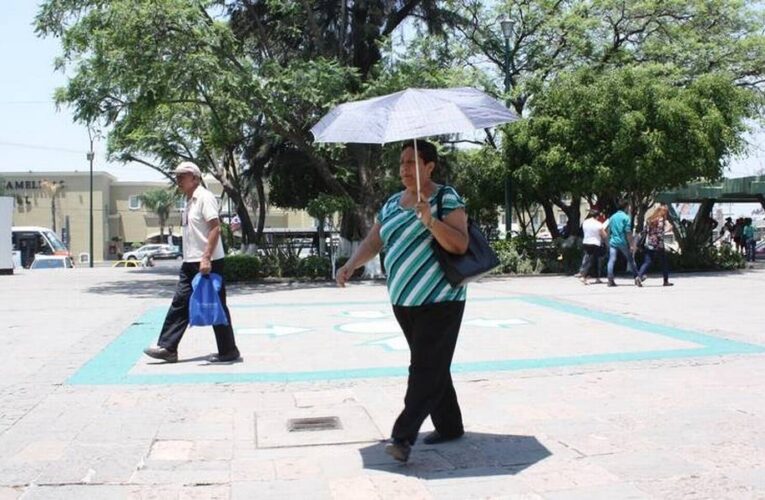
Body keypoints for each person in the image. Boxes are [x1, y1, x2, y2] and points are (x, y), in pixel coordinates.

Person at [336, 140, 469, 463]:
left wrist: (431, 221)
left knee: (423, 366)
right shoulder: (394, 202)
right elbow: (374, 240)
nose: (404, 169)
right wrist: (351, 263)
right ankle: (450, 426)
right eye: (401, 164)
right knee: (432, 363)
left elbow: (460, 244)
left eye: (411, 162)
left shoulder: (444, 197)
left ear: (429, 166)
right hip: (403, 300)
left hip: (441, 298)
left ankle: (403, 435)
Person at [143, 161, 240, 364]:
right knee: (181, 302)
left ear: (195, 178)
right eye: (176, 176)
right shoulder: (189, 201)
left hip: (207, 261)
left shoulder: (204, 197)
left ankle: (229, 350)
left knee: (215, 304)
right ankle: (168, 347)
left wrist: (206, 257)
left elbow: (215, 228)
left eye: (182, 176)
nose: (178, 179)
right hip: (190, 262)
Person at [606, 199, 641, 287]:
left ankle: (610, 279)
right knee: (630, 260)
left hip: (613, 241)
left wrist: (607, 241)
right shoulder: (626, 217)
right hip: (622, 242)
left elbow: (608, 230)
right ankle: (636, 276)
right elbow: (628, 232)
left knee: (611, 260)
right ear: (625, 207)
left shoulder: (612, 217)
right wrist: (632, 244)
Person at [637, 205, 673, 286]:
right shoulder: (661, 220)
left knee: (647, 262)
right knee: (664, 263)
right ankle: (665, 281)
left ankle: (639, 276)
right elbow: (660, 233)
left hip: (649, 243)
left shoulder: (650, 220)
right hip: (658, 245)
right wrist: (668, 229)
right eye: (665, 212)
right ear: (662, 212)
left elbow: (645, 231)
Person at [578, 209, 607, 285]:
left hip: (586, 242)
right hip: (595, 243)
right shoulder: (598, 224)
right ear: (597, 216)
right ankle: (584, 276)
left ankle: (597, 277)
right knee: (593, 261)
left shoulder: (585, 222)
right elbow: (604, 235)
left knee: (590, 259)